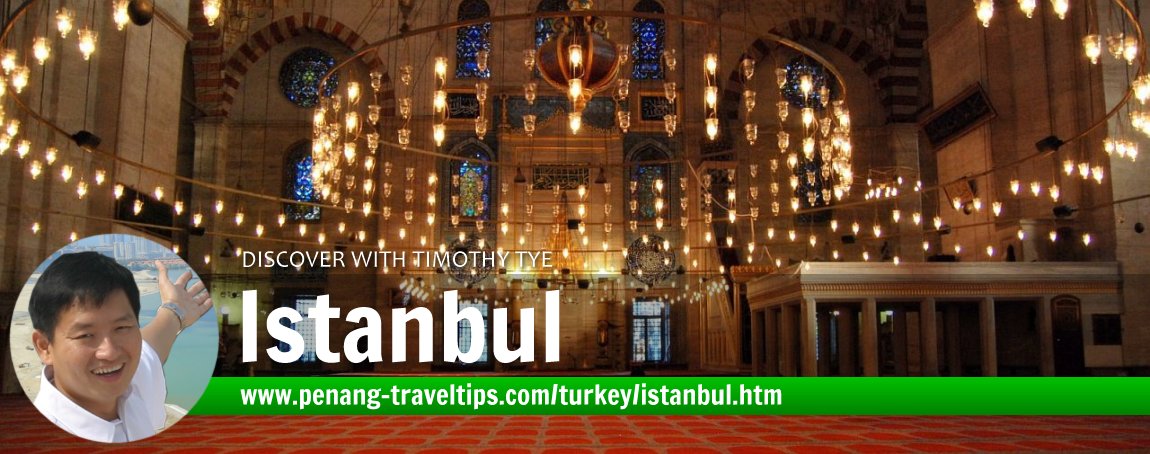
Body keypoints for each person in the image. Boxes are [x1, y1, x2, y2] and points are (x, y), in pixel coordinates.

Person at [28, 252, 212, 442]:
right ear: (44, 347)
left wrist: (175, 309)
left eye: (121, 328)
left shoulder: (127, 386)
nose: (110, 352)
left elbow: (151, 348)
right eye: (86, 335)